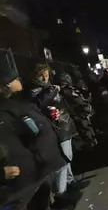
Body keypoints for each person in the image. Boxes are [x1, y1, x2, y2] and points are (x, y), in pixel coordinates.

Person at [0, 64, 76, 210]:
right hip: (29, 170)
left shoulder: (14, 103)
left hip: (36, 166)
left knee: (40, 209)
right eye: (13, 79)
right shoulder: (3, 109)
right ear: (4, 84)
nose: (18, 80)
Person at [24, 64, 78, 198]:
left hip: (64, 124)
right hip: (55, 128)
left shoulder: (49, 86)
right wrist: (52, 91)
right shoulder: (35, 90)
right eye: (41, 74)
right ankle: (61, 193)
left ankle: (70, 182)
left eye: (46, 74)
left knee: (68, 156)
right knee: (63, 159)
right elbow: (38, 104)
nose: (44, 77)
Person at [55, 72, 97, 149]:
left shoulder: (59, 91)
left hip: (72, 118)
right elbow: (81, 102)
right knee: (87, 138)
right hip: (79, 117)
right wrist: (88, 110)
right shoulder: (68, 90)